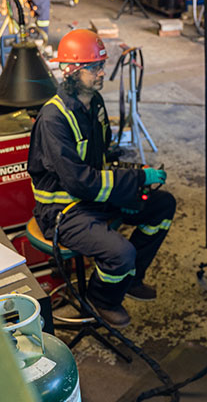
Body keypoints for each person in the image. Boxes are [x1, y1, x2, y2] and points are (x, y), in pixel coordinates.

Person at [27, 29, 176, 328]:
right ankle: (101, 298)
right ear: (72, 71)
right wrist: (135, 180)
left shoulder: (93, 104)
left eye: (101, 65)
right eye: (95, 67)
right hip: (64, 211)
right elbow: (81, 182)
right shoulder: (54, 118)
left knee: (162, 206)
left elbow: (102, 159)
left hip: (94, 198)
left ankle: (131, 279)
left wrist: (133, 186)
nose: (102, 73)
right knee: (122, 253)